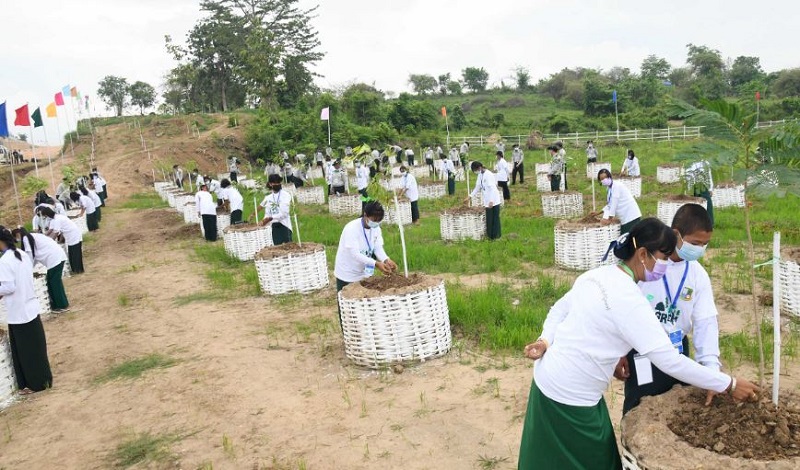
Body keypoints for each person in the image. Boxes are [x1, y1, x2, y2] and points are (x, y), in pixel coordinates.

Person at [518, 219, 760, 470]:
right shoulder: (630, 300)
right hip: (571, 396)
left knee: (550, 458)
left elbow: (560, 309)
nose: (666, 264)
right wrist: (728, 383)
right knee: (595, 460)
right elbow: (669, 360)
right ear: (642, 254)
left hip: (550, 379)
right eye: (664, 257)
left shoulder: (597, 275)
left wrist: (545, 340)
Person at [617, 205, 722, 415]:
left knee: (676, 409)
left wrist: (712, 371)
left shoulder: (697, 275)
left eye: (705, 245)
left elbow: (706, 322)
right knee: (639, 409)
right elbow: (620, 309)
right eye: (695, 243)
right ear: (676, 234)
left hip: (677, 349)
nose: (700, 249)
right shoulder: (647, 266)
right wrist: (618, 353)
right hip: (642, 350)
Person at [0, 226, 54, 395]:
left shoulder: (5, 261)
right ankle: (43, 379)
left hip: (19, 312)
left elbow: (9, 287)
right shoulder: (22, 255)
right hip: (30, 306)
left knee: (26, 352)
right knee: (36, 348)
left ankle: (35, 384)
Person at [333, 201, 398, 295]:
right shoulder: (351, 229)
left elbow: (377, 247)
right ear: (365, 215)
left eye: (378, 220)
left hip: (364, 272)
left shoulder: (376, 229)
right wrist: (375, 263)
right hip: (348, 273)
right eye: (373, 220)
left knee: (362, 302)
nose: (376, 223)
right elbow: (355, 254)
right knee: (347, 303)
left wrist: (386, 259)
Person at [12, 227, 69, 313]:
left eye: (16, 238)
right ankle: (59, 305)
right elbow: (34, 258)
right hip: (56, 257)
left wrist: (27, 270)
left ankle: (61, 305)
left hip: (54, 258)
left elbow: (29, 256)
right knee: (52, 282)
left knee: (54, 283)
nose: (18, 240)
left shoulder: (26, 238)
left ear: (17, 235)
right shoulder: (31, 236)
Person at [465, 161, 502, 240]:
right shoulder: (480, 175)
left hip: (494, 200)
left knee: (495, 219)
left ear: (479, 168)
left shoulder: (489, 175)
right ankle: (490, 236)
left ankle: (496, 236)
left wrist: (492, 201)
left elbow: (493, 189)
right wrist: (470, 196)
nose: (475, 172)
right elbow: (477, 187)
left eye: (475, 170)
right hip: (487, 200)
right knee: (489, 219)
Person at [597, 169, 641, 234]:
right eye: (602, 179)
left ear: (610, 176)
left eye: (605, 177)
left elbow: (614, 204)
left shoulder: (616, 186)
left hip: (631, 216)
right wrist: (598, 213)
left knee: (627, 239)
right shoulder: (609, 189)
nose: (604, 180)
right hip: (626, 217)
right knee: (625, 238)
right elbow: (610, 205)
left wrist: (609, 219)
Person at [41, 207, 83, 274]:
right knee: (71, 253)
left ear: (47, 214)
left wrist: (50, 242)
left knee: (75, 253)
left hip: (73, 235)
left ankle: (78, 270)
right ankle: (74, 270)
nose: (45, 217)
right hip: (69, 237)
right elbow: (50, 230)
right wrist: (42, 236)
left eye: (45, 216)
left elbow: (56, 233)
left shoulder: (58, 219)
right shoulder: (53, 219)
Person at [259, 174, 293, 245]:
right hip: (274, 226)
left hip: (285, 225)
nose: (277, 184)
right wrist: (264, 220)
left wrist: (271, 218)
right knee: (277, 247)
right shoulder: (268, 198)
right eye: (275, 183)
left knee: (288, 246)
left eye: (279, 182)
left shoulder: (286, 195)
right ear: (270, 184)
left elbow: (284, 213)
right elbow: (268, 213)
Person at [686, 159, 714, 227]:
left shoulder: (705, 163)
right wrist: (689, 189)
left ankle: (709, 223)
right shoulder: (690, 164)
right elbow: (688, 177)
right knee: (696, 204)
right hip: (694, 186)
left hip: (703, 186)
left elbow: (708, 176)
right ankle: (699, 222)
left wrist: (710, 188)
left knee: (707, 203)